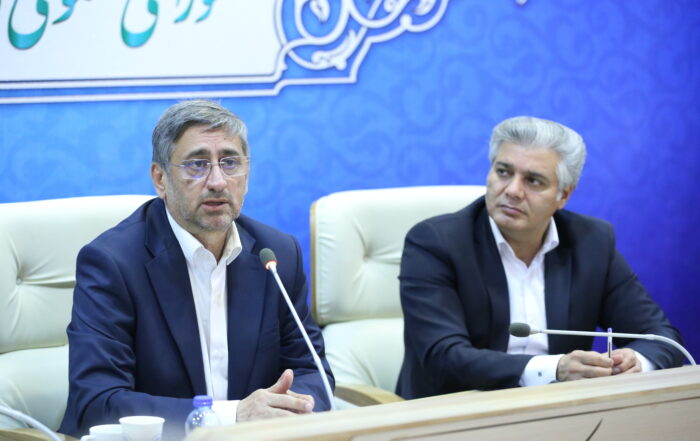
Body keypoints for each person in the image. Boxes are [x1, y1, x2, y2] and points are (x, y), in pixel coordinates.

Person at [59, 100, 334, 439]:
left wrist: (285, 411)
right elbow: (97, 403)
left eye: (230, 163)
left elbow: (313, 373)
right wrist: (233, 416)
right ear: (160, 179)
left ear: (247, 174)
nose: (217, 181)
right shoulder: (112, 263)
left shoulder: (276, 255)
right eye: (197, 165)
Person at [395, 116, 684, 399]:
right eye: (503, 172)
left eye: (533, 181)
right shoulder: (436, 243)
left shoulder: (591, 242)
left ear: (563, 196)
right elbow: (444, 356)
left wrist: (635, 361)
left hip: (558, 411)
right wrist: (555, 369)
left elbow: (661, 336)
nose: (512, 191)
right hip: (457, 410)